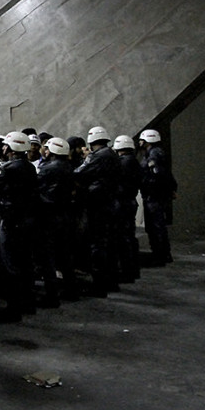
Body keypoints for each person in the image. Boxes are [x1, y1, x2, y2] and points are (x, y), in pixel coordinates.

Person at [0, 131, 39, 322]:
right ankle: (28, 302)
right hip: (28, 220)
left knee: (10, 264)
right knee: (26, 263)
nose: (3, 148)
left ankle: (13, 308)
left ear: (12, 148)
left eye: (6, 146)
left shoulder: (6, 169)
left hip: (11, 221)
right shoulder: (29, 167)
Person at [74, 126, 120, 297]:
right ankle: (112, 282)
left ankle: (99, 285)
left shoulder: (97, 156)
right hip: (110, 201)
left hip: (98, 204)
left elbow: (79, 173)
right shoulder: (113, 155)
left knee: (97, 244)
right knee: (110, 243)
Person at [35, 137, 77, 304]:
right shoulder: (69, 167)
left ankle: (52, 294)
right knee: (65, 255)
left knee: (48, 257)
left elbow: (37, 188)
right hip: (66, 214)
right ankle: (71, 289)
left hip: (50, 216)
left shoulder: (47, 168)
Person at [138, 129, 177, 266]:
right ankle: (162, 253)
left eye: (142, 140)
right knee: (156, 226)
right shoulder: (155, 153)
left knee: (156, 226)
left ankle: (161, 254)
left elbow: (156, 175)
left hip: (153, 196)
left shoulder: (154, 155)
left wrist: (144, 183)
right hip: (155, 195)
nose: (140, 142)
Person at [112, 135, 142, 284]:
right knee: (129, 236)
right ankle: (133, 270)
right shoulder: (133, 161)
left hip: (122, 202)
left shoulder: (123, 163)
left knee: (122, 238)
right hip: (130, 201)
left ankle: (126, 271)